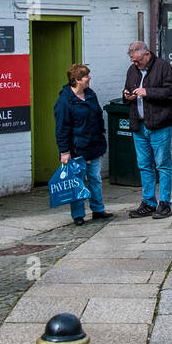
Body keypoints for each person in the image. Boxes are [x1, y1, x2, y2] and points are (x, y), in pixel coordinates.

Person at [123, 40, 172, 219]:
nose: (135, 64)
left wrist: (148, 92)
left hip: (159, 124)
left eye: (137, 60)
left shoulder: (163, 67)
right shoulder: (132, 71)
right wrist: (127, 95)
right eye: (133, 61)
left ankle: (165, 204)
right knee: (144, 166)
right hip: (138, 125)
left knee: (162, 165)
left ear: (147, 54)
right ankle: (148, 202)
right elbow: (127, 92)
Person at [54, 64, 113, 227]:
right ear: (77, 80)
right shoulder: (65, 102)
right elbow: (62, 128)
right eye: (86, 76)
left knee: (95, 179)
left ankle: (98, 209)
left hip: (94, 145)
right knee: (77, 183)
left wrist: (101, 134)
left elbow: (98, 116)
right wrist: (64, 151)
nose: (89, 78)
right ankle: (78, 214)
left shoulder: (90, 95)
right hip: (76, 149)